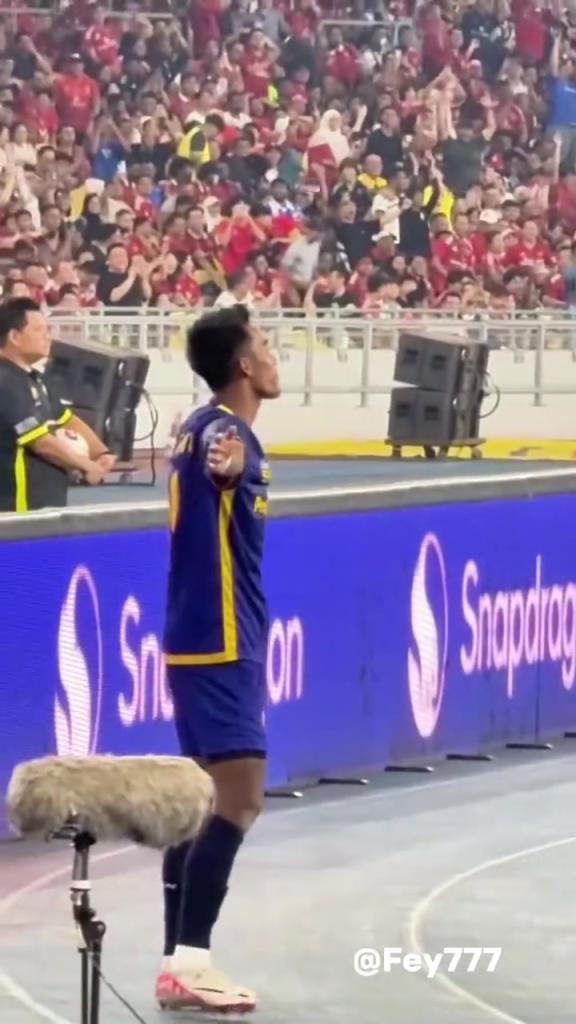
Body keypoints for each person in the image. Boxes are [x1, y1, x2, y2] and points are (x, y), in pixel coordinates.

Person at [158, 305, 280, 1013]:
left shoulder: (197, 423)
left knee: (199, 804)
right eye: (263, 344)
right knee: (239, 798)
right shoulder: (225, 435)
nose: (272, 355)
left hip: (199, 637)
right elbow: (222, 467)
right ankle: (192, 962)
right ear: (243, 365)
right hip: (220, 640)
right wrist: (229, 471)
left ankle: (176, 964)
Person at [0, 298, 115, 512]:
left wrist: (101, 453)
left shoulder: (35, 379)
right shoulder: (5, 382)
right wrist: (87, 465)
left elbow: (67, 419)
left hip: (45, 503)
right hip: (17, 509)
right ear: (14, 337)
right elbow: (41, 443)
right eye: (38, 330)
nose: (47, 336)